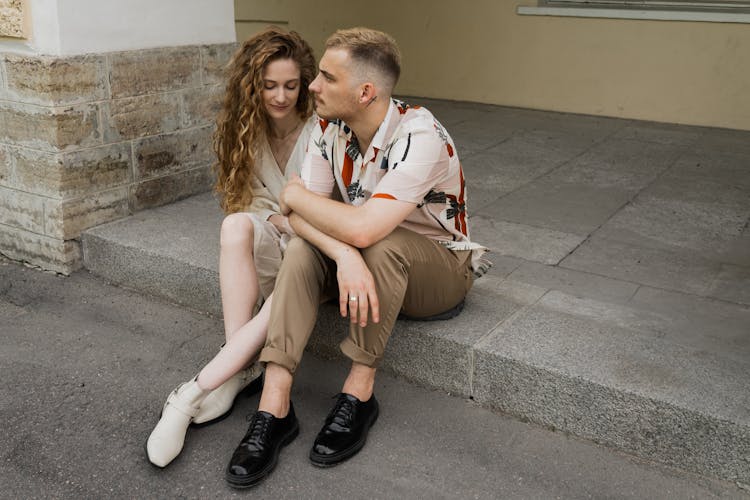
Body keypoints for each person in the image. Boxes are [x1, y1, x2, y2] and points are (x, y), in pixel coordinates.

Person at [224, 27, 490, 489]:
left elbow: (360, 225)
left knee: (381, 241)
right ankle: (275, 403)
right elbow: (295, 218)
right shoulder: (329, 127)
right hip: (365, 256)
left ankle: (359, 391)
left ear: (365, 92)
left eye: (326, 77)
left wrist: (305, 204)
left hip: (439, 270)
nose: (312, 86)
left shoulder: (420, 135)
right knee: (308, 246)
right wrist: (343, 255)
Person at [145, 27, 317, 468]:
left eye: (291, 85)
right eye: (269, 85)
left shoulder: (322, 131)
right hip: (275, 236)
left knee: (298, 257)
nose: (280, 96)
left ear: (305, 84)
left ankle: (192, 393)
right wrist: (280, 218)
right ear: (253, 85)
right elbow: (248, 203)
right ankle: (239, 366)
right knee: (234, 225)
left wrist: (289, 221)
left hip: (314, 252)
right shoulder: (246, 131)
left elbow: (328, 210)